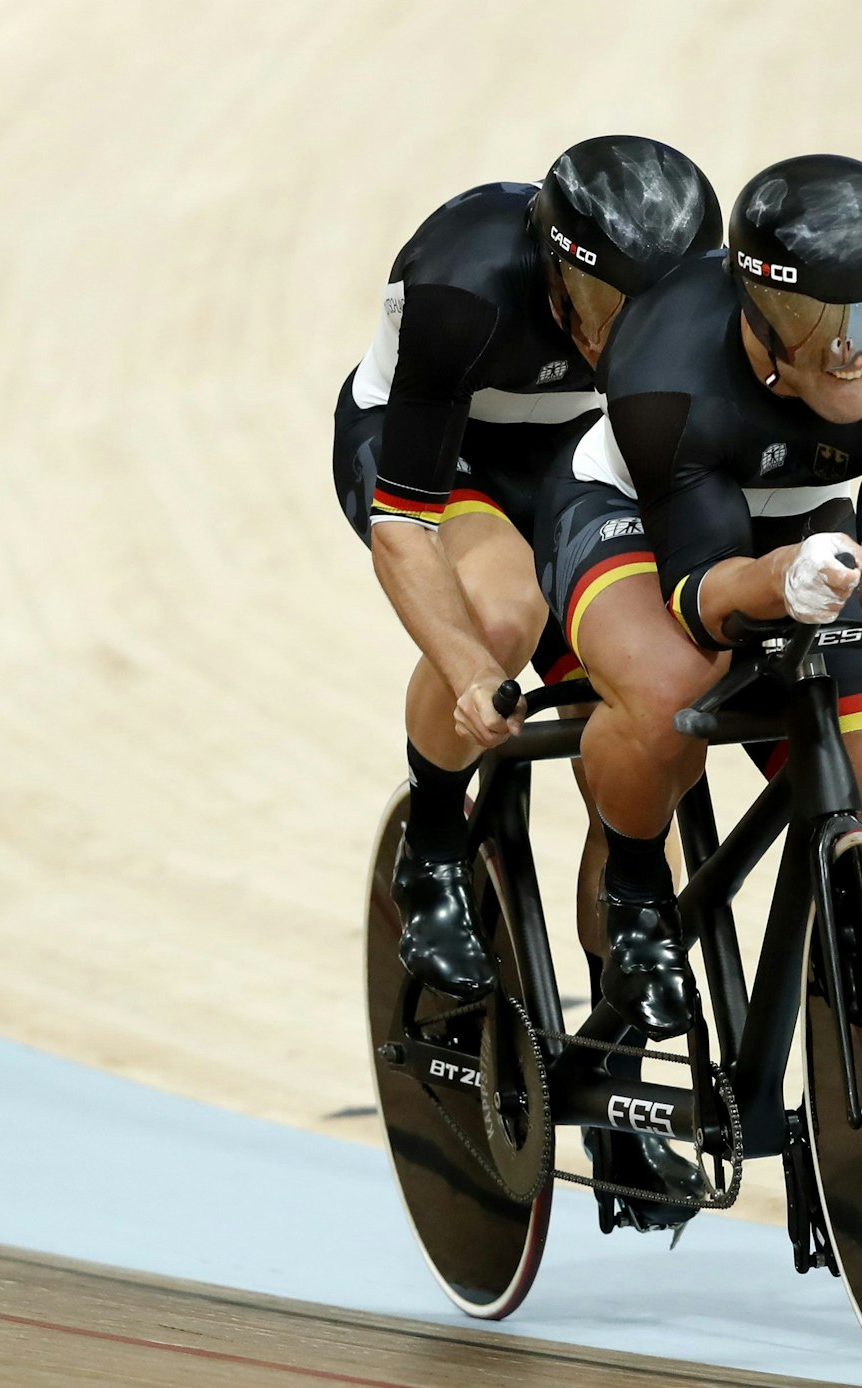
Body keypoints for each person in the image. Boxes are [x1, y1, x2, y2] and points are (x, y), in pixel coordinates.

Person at [534, 155, 862, 1081]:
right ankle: (636, 883)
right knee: (666, 693)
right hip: (642, 514)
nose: (854, 351)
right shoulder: (665, 372)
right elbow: (697, 599)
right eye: (820, 326)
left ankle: (848, 1059)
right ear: (758, 314)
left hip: (795, 522)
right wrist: (778, 580)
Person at [331, 136, 720, 1007]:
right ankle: (430, 851)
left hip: (567, 466)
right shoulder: (460, 282)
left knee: (633, 731)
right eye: (595, 298)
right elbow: (404, 526)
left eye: (645, 309)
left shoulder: (705, 306)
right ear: (549, 259)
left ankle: (609, 1061)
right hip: (440, 456)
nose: (613, 331)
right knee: (503, 616)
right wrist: (471, 671)